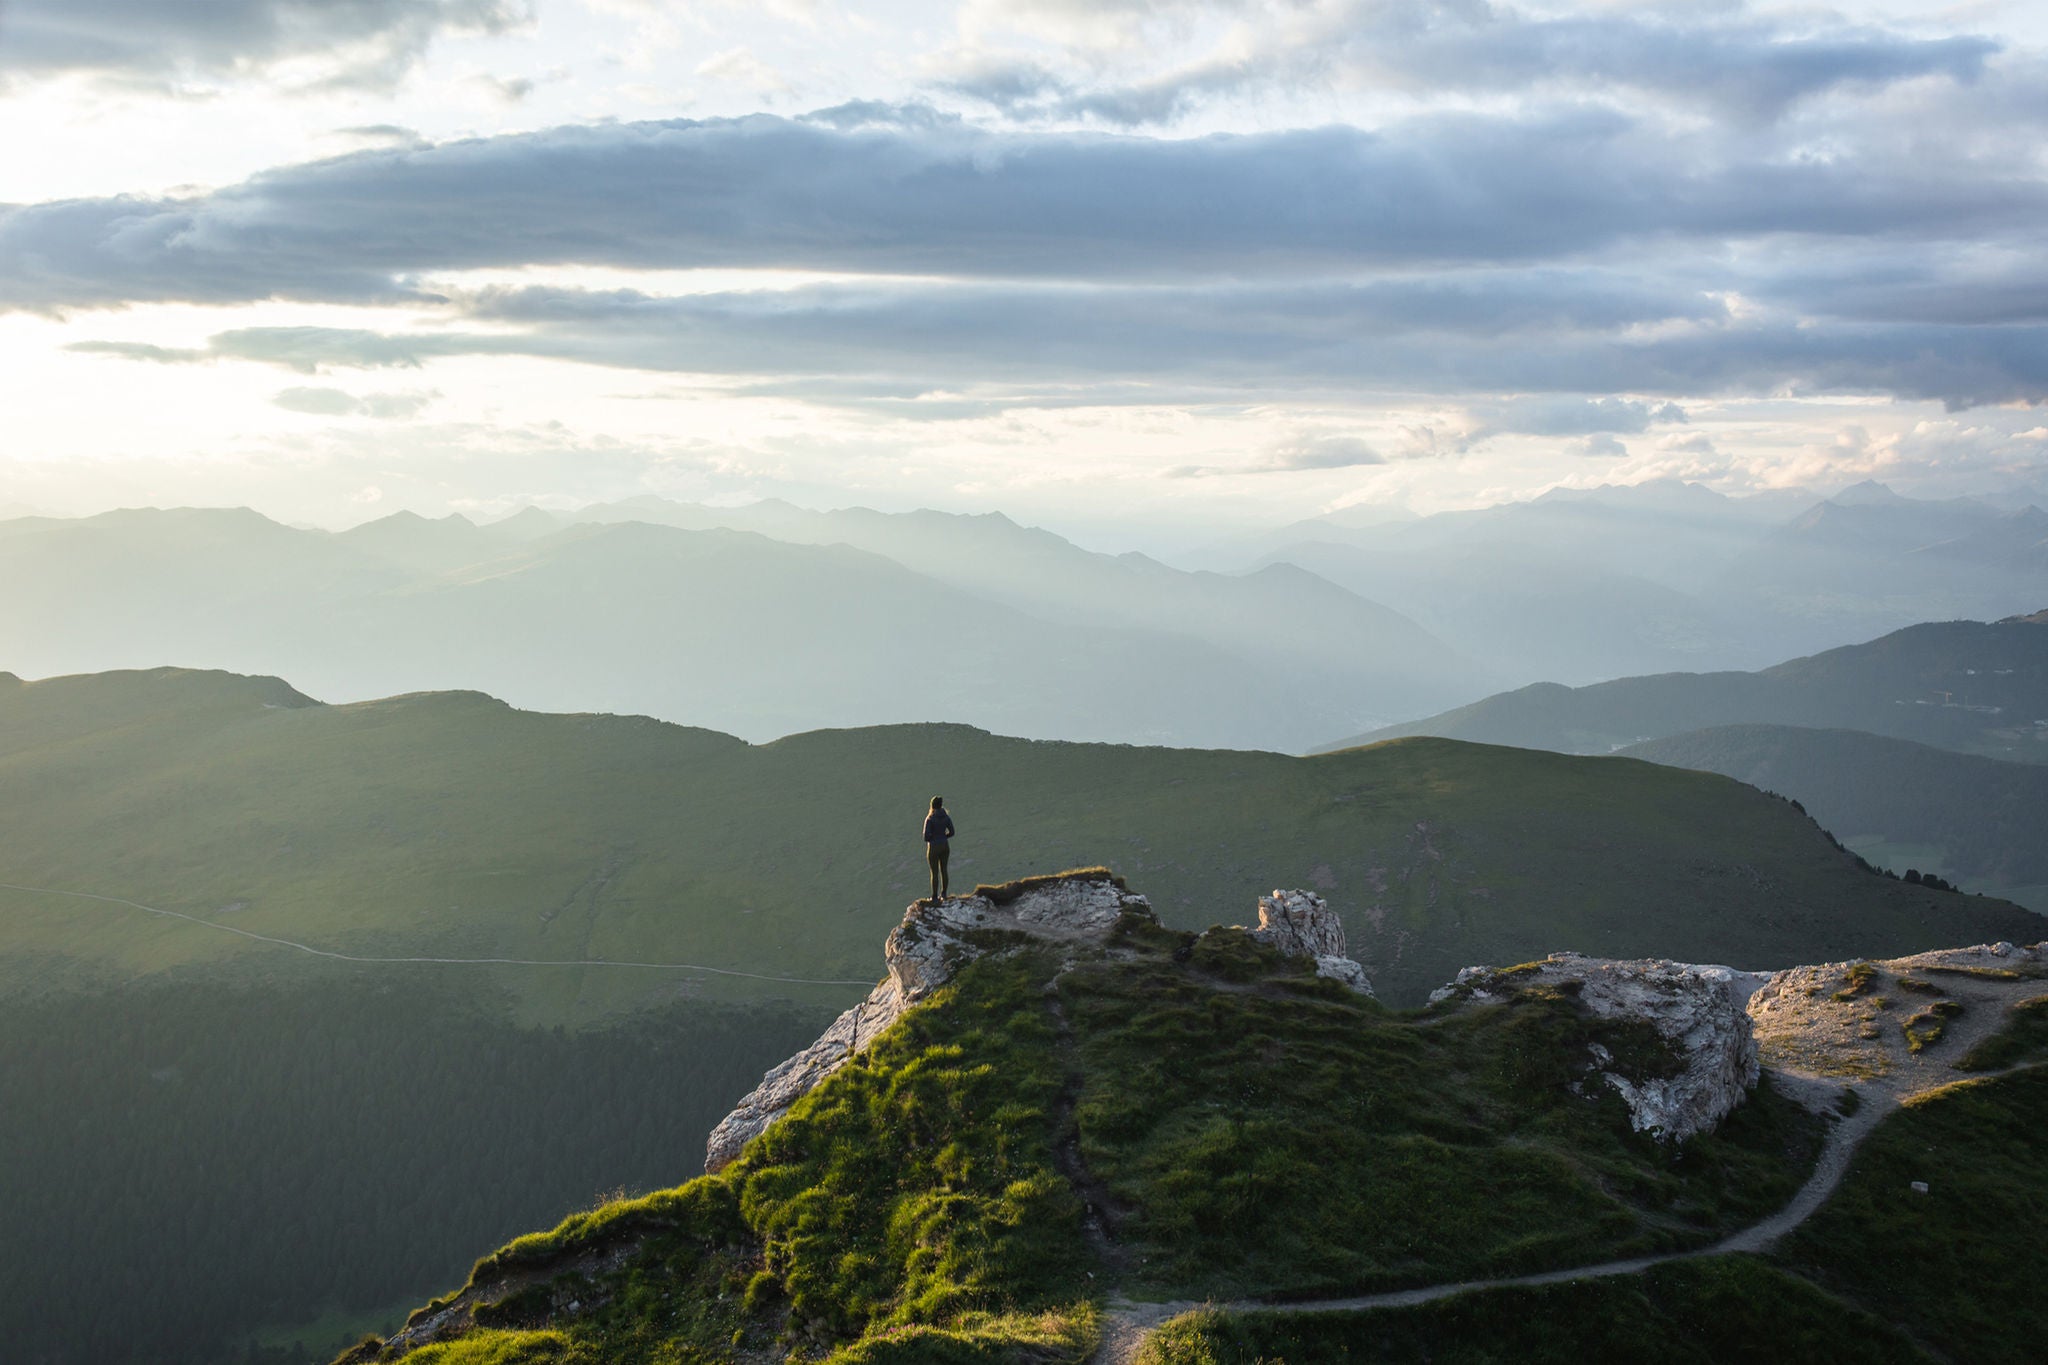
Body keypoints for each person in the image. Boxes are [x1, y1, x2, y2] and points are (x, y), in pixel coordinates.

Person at [922, 796, 955, 902]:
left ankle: (934, 897)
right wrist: (944, 836)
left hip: (934, 847)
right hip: (945, 845)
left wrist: (933, 838)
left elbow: (926, 837)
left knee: (934, 872)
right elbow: (952, 832)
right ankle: (944, 893)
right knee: (944, 870)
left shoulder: (930, 818)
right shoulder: (946, 816)